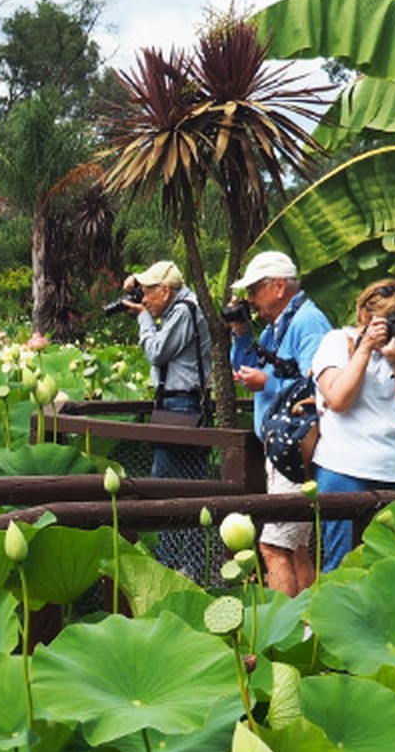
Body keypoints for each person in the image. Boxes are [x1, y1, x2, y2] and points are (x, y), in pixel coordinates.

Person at [228, 250, 332, 594]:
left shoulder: (307, 322)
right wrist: (241, 331)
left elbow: (321, 384)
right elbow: (244, 366)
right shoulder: (277, 327)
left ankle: (280, 625)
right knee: (297, 548)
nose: (250, 299)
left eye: (254, 290)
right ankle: (305, 621)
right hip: (283, 449)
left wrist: (268, 383)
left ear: (277, 287)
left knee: (273, 547)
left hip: (295, 449)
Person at [311, 279, 395, 571]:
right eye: (389, 320)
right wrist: (364, 350)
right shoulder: (337, 342)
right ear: (364, 315)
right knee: (341, 566)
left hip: (391, 471)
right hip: (343, 470)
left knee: (389, 565)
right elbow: (338, 400)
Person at [121, 259, 212, 579]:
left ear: (165, 290)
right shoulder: (178, 308)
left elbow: (157, 352)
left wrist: (144, 318)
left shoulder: (184, 310)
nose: (144, 299)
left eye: (148, 292)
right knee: (172, 486)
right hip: (175, 405)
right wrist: (136, 285)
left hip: (183, 407)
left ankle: (183, 566)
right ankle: (174, 562)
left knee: (175, 487)